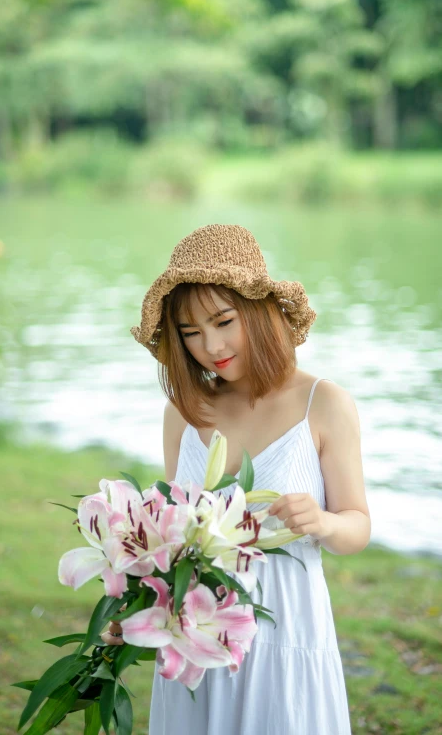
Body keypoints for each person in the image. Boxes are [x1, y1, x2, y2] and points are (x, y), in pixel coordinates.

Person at [101, 223, 371, 734]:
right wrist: (135, 608)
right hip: (195, 645)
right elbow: (173, 537)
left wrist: (323, 522)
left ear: (257, 310)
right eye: (190, 332)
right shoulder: (183, 411)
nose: (210, 345)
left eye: (223, 321)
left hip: (283, 637)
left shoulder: (324, 403)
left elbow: (357, 526)